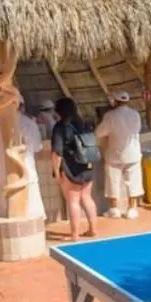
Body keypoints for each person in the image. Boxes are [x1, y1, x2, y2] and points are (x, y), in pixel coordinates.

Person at [0, 100, 45, 221]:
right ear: (20, 106)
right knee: (31, 215)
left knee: (4, 214)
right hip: (27, 175)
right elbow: (37, 146)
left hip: (2, 175)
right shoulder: (28, 123)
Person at [50, 97, 99, 240]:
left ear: (59, 111)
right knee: (87, 198)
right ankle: (93, 230)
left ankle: (74, 234)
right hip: (87, 165)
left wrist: (57, 172)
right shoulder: (84, 124)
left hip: (71, 168)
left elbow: (57, 153)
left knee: (73, 201)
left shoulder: (60, 127)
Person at [94, 91, 144, 219]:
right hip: (133, 154)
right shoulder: (135, 114)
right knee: (133, 181)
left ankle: (114, 209)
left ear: (115, 101)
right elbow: (137, 130)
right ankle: (132, 209)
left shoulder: (110, 116)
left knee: (112, 182)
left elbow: (99, 133)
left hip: (114, 155)